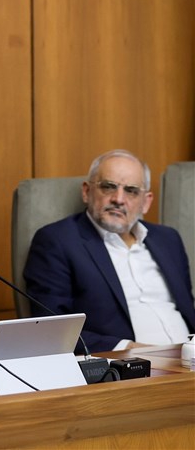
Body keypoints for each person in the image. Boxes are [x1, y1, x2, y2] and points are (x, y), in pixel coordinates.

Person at [24, 149, 195, 353]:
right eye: (108, 186)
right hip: (130, 363)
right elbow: (51, 330)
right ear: (86, 191)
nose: (119, 199)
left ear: (146, 201)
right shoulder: (57, 241)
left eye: (131, 190)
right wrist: (127, 349)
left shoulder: (168, 239)